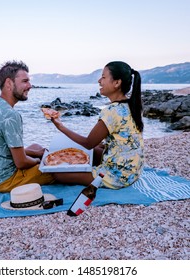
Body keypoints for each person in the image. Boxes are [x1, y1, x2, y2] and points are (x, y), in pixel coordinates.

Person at [51, 61, 144, 189]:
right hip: (133, 170)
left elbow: (89, 143)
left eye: (104, 77)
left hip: (119, 176)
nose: (99, 81)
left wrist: (60, 127)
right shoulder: (132, 106)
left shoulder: (111, 111)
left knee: (58, 175)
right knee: (93, 151)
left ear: (117, 83)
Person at [0, 60, 54, 192]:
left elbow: (6, 149)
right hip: (5, 181)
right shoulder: (10, 115)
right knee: (56, 168)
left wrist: (36, 153)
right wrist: (37, 160)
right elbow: (21, 163)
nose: (30, 86)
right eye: (25, 81)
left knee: (36, 147)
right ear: (9, 83)